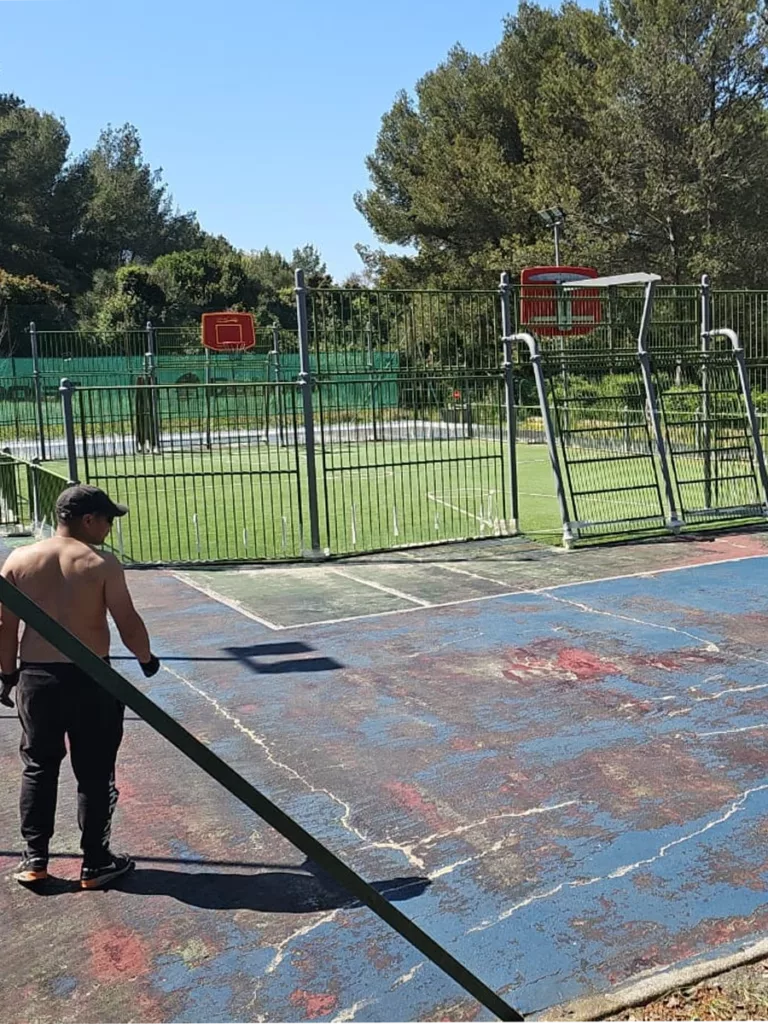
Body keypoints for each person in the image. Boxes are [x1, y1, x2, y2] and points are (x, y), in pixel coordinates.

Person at [0, 485, 160, 889]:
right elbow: (127, 621)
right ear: (88, 520)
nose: (109, 528)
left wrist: (7, 674)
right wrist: (146, 659)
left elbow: (5, 626)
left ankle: (35, 858)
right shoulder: (101, 563)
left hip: (38, 679)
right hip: (92, 679)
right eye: (107, 520)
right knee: (95, 770)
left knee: (39, 766)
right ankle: (95, 862)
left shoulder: (18, 560)